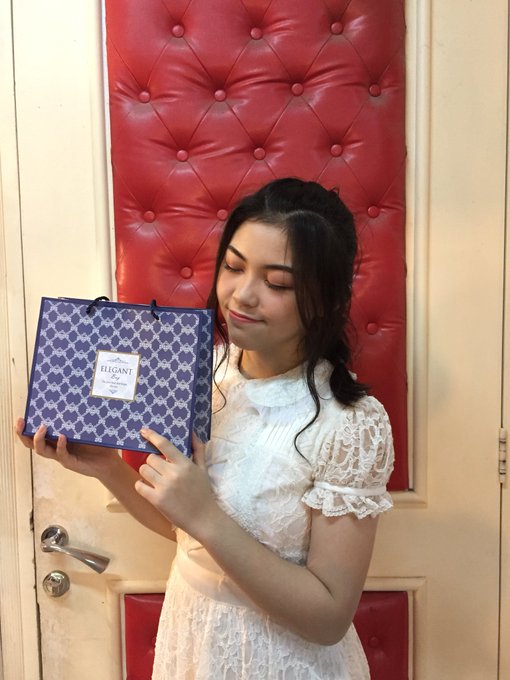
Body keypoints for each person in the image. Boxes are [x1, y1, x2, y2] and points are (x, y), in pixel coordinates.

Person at [16, 178, 394, 679]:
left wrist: (207, 515)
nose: (242, 295)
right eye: (234, 267)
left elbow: (328, 618)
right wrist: (108, 468)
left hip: (282, 660)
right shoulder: (203, 371)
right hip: (192, 641)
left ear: (324, 297)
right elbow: (187, 534)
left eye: (277, 284)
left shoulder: (351, 424)